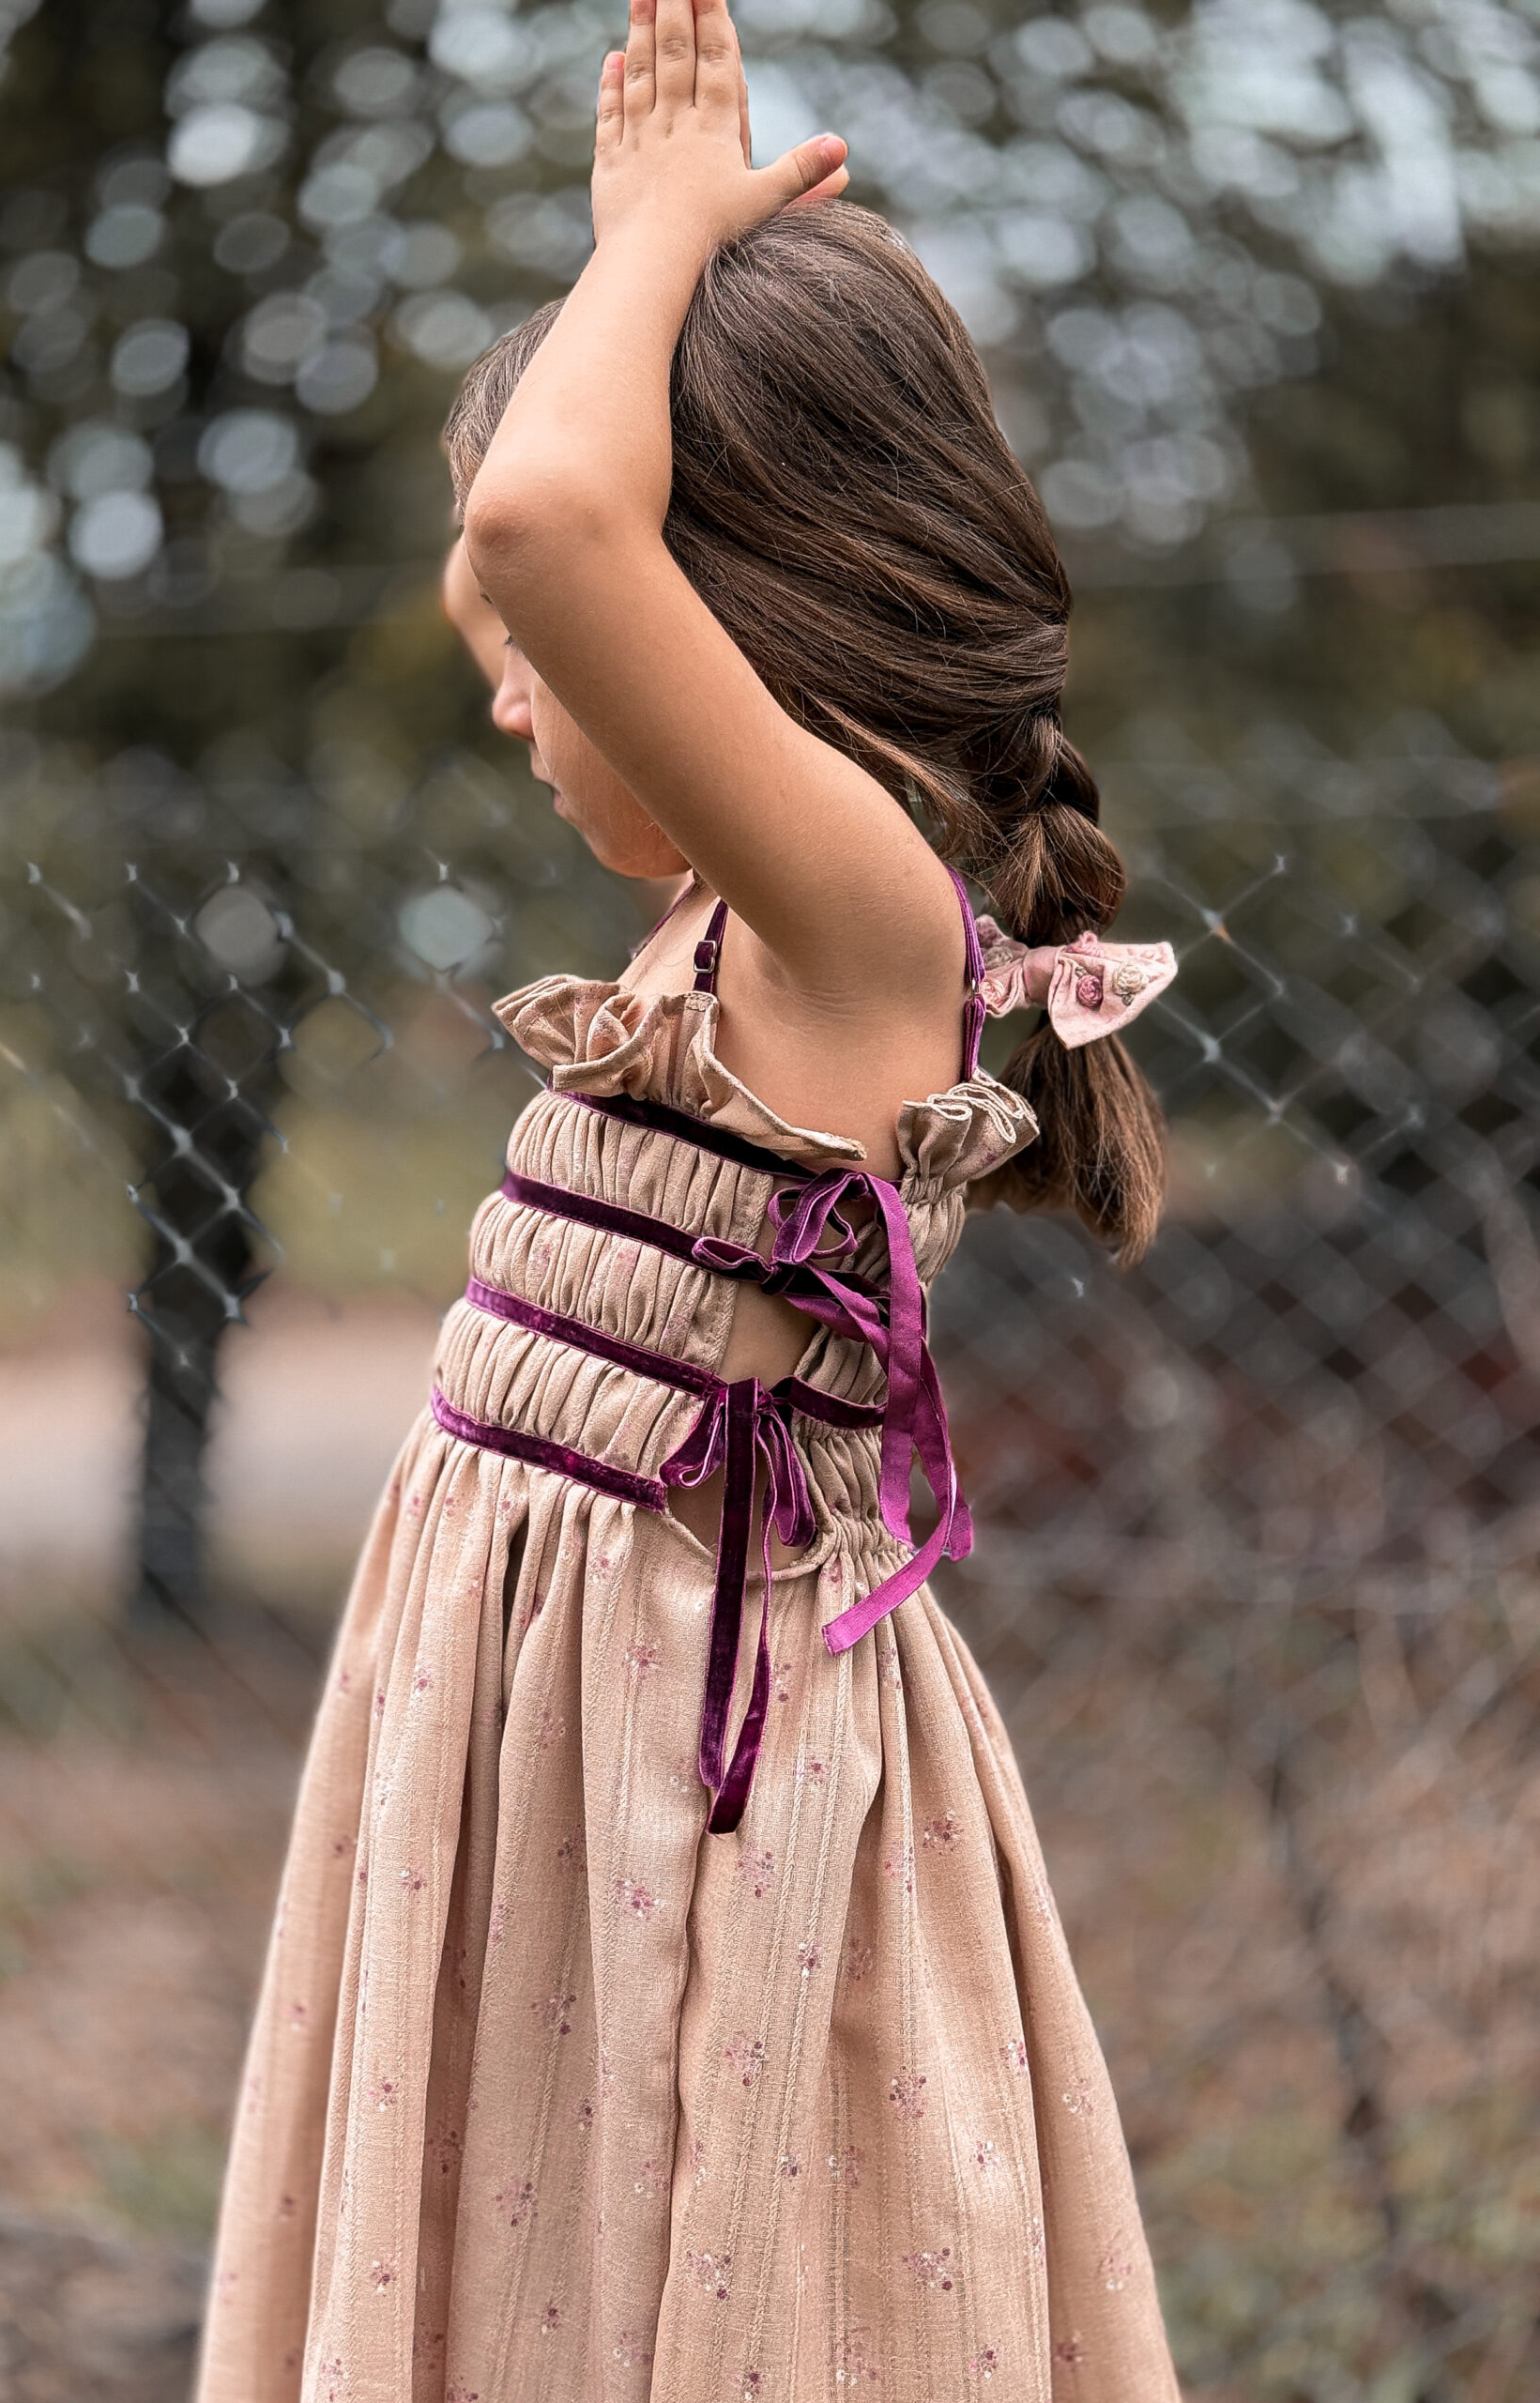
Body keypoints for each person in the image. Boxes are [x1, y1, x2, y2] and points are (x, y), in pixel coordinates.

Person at [196, 3, 1183, 2396]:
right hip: (542, 1735)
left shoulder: (862, 910)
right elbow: (517, 539)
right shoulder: (722, 922)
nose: (511, 696)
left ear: (718, 598)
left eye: (557, 664)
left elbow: (550, 523)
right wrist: (636, 292)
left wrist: (655, 250)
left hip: (674, 1772)